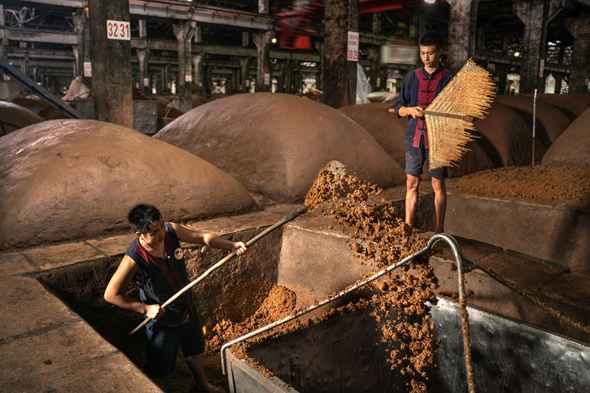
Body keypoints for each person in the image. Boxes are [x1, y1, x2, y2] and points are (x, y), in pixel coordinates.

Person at [104, 204, 247, 393]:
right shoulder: (133, 259)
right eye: (154, 232)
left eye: (162, 226)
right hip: (161, 317)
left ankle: (202, 385)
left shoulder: (171, 231)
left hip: (185, 305)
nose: (162, 233)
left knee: (194, 349)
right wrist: (145, 309)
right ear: (140, 235)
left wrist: (230, 245)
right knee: (160, 363)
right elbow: (110, 294)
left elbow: (203, 238)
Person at [394, 31, 455, 234]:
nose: (426, 58)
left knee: (438, 184)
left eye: (430, 53)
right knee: (411, 183)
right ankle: (408, 226)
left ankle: (439, 229)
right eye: (422, 53)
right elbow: (399, 107)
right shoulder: (411, 78)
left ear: (439, 52)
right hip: (415, 137)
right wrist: (410, 110)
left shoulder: (449, 79)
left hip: (439, 139)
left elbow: (456, 110)